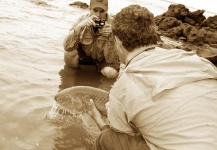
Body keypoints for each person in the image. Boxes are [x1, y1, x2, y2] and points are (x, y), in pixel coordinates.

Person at [88, 4, 217, 150]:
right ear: (153, 34)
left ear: (117, 41)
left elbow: (121, 134)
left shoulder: (124, 86)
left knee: (107, 138)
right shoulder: (192, 59)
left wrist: (101, 123)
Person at [63, 0, 119, 78]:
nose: (98, 15)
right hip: (86, 54)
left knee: (111, 73)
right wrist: (79, 27)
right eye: (95, 11)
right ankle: (73, 79)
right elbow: (66, 46)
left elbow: (114, 59)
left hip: (104, 58)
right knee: (69, 54)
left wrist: (111, 37)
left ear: (107, 9)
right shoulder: (82, 20)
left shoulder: (115, 24)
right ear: (90, 9)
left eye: (102, 11)